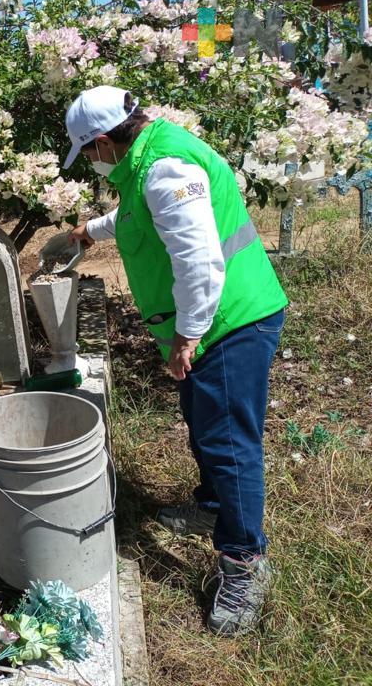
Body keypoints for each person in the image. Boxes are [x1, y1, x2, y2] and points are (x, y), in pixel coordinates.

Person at [63, 86, 288, 636]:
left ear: (100, 141)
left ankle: (244, 562)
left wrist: (189, 336)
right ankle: (213, 506)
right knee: (203, 424)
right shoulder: (149, 157)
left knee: (229, 444)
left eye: (88, 153)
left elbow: (200, 260)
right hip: (217, 321)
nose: (91, 163)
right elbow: (136, 215)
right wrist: (87, 232)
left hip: (230, 321)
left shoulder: (163, 167)